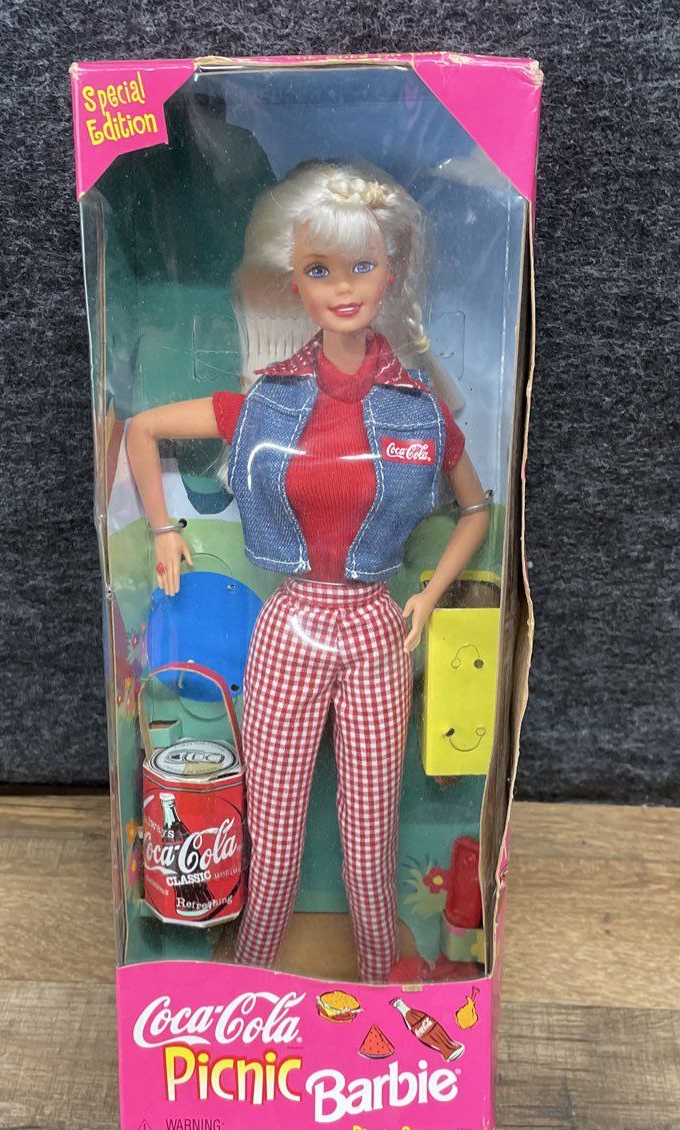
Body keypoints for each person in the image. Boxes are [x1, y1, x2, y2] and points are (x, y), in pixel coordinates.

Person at [127, 159, 490, 982]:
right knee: (275, 834)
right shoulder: (265, 400)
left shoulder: (420, 410)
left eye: (361, 266)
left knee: (370, 841)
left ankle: (380, 985)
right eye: (320, 270)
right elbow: (142, 429)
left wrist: (428, 596)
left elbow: (476, 509)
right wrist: (162, 530)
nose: (343, 287)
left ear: (391, 273)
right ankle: (250, 978)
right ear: (292, 282)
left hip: (377, 630)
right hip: (289, 626)